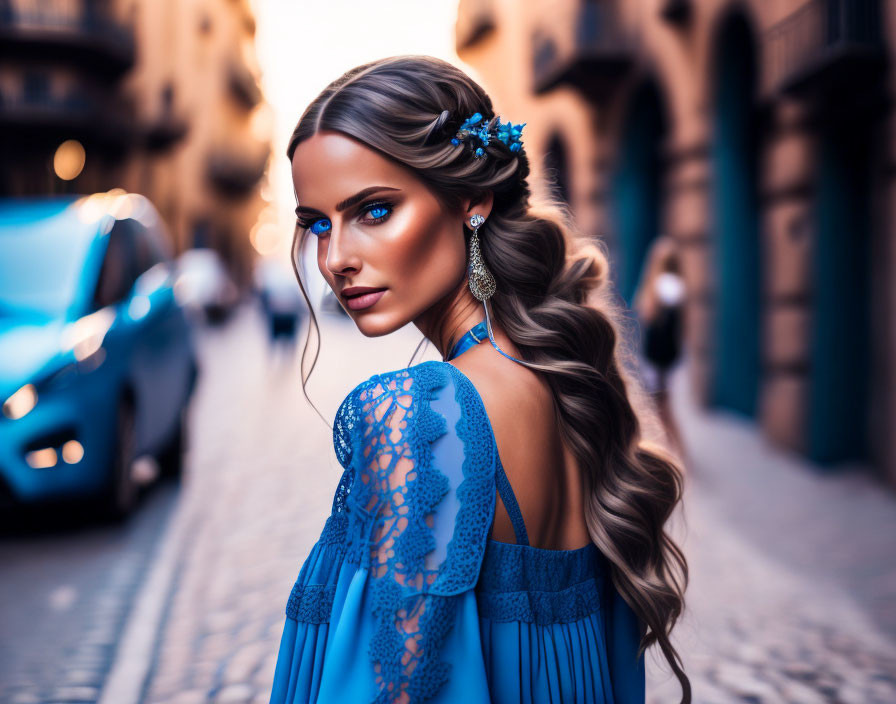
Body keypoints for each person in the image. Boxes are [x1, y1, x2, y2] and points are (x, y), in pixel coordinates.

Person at [269, 56, 690, 704]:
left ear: (472, 203)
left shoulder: (418, 416)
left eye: (374, 211)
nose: (336, 259)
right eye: (317, 223)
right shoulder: (560, 381)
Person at [633, 236, 687, 460]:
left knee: (661, 409)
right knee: (661, 407)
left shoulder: (665, 286)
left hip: (658, 359)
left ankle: (674, 454)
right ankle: (672, 453)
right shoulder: (675, 285)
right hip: (663, 358)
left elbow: (650, 316)